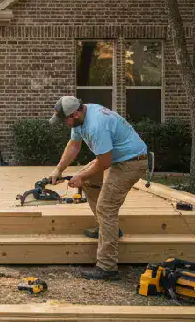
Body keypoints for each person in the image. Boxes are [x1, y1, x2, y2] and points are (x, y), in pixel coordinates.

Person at [46, 96, 148, 280]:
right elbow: (74, 146)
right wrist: (58, 170)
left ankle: (107, 267)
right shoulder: (80, 119)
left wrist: (80, 176)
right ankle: (107, 229)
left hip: (131, 163)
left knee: (106, 207)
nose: (64, 123)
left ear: (75, 114)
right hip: (118, 158)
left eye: (65, 119)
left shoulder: (96, 126)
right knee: (88, 181)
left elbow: (104, 162)